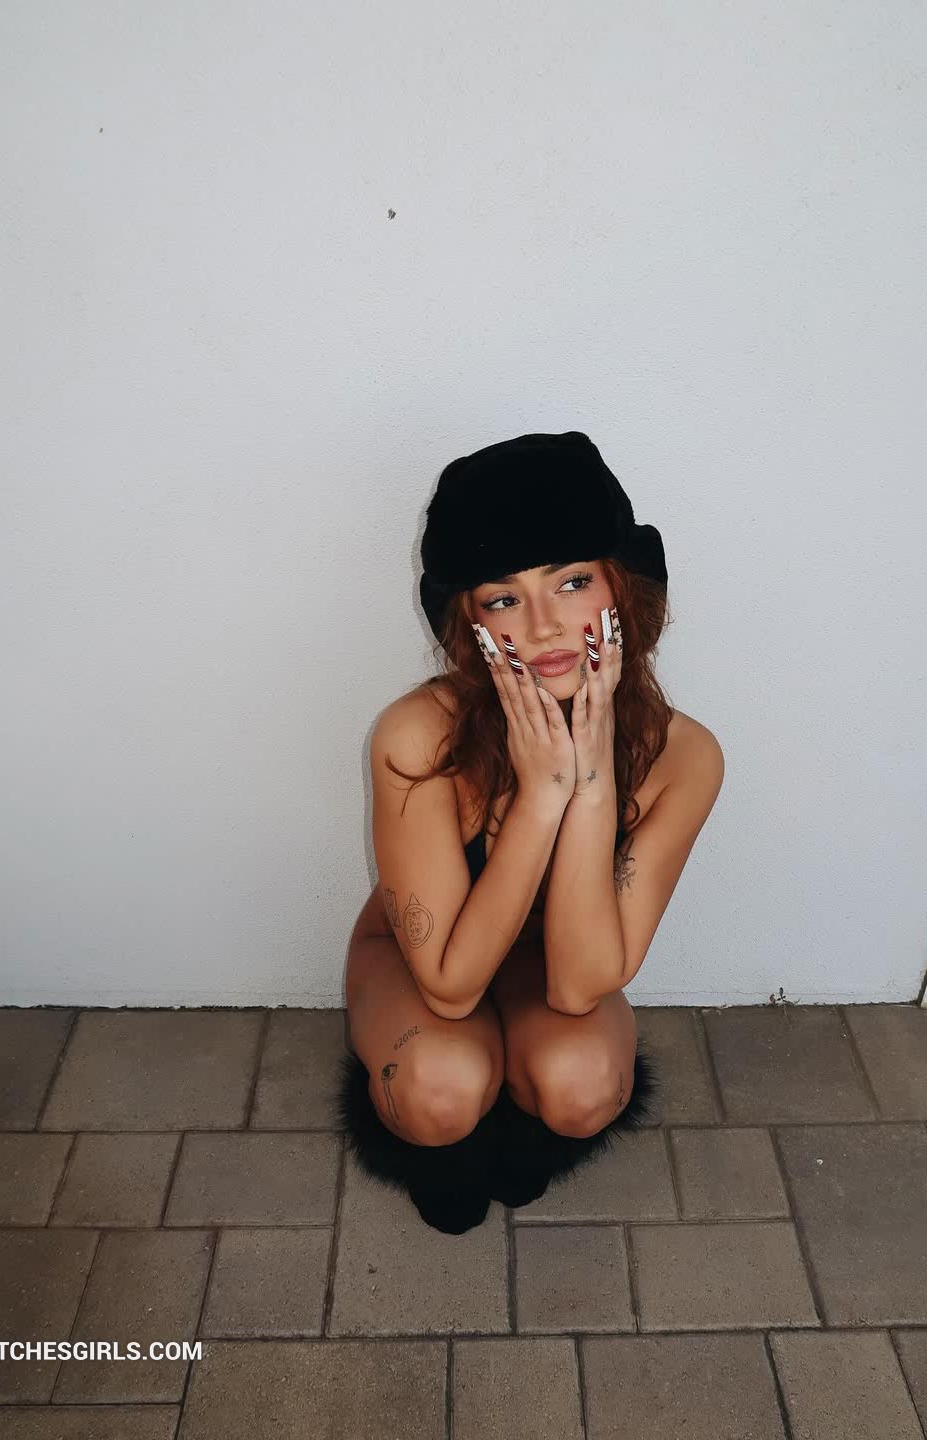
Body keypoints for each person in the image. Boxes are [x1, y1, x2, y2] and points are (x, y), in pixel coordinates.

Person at [334, 431, 724, 1233]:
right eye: (504, 598)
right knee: (438, 1087)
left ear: (623, 588)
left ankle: (521, 1139)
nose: (545, 627)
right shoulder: (418, 736)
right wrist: (541, 795)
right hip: (425, 960)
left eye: (572, 582)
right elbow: (449, 985)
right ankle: (444, 1155)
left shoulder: (684, 756)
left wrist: (590, 781)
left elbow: (578, 987)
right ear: (469, 620)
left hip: (552, 960)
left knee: (583, 1083)